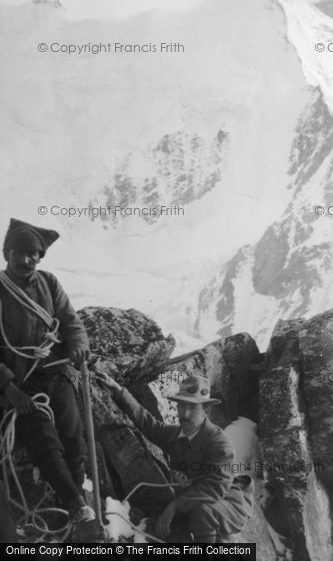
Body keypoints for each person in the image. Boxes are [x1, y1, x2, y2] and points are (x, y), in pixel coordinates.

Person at [0, 218, 94, 525]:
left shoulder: (49, 283)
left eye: (33, 254)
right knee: (42, 435)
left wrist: (79, 345)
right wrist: (9, 389)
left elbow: (70, 322)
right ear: (6, 252)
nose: (27, 260)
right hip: (20, 379)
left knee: (72, 434)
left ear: (40, 258)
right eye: (20, 252)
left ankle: (78, 499)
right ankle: (75, 503)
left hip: (55, 370)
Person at [98, 372, 253, 542]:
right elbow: (148, 423)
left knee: (202, 511)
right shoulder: (176, 435)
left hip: (226, 503)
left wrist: (175, 505)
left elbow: (216, 487)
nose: (185, 414)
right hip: (193, 502)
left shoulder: (219, 443)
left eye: (193, 407)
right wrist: (119, 390)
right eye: (181, 406)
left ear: (206, 410)